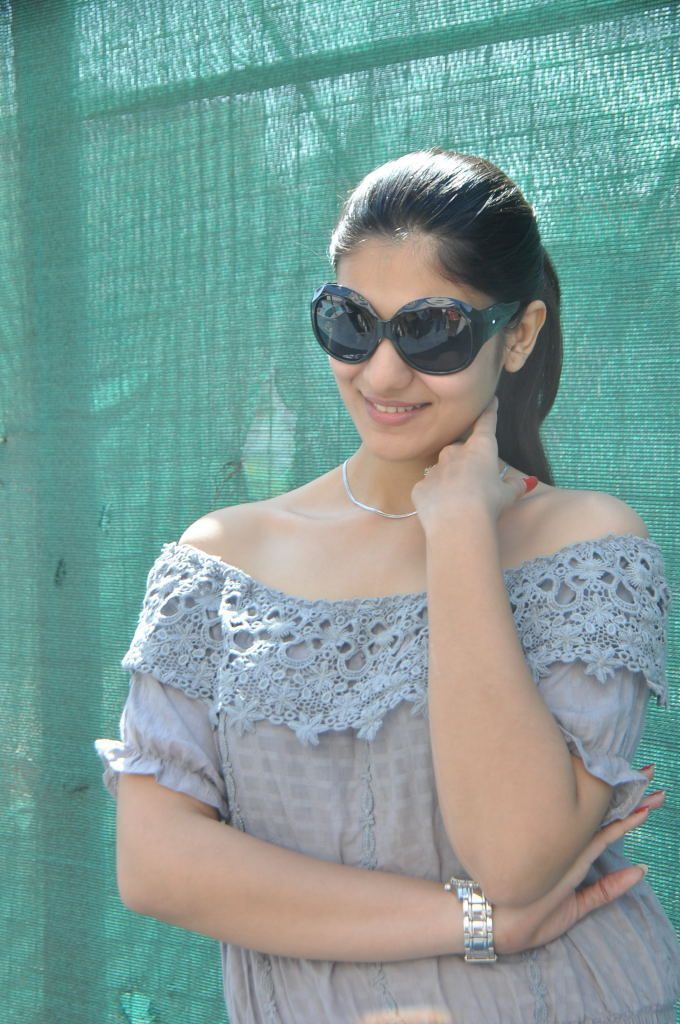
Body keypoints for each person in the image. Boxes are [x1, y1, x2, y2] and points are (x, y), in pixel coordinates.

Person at [95, 147, 680, 1024]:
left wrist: (460, 533)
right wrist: (479, 925)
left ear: (519, 334)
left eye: (431, 330)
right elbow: (157, 867)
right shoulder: (220, 560)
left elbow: (515, 857)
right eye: (351, 323)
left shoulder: (588, 546)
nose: (380, 373)